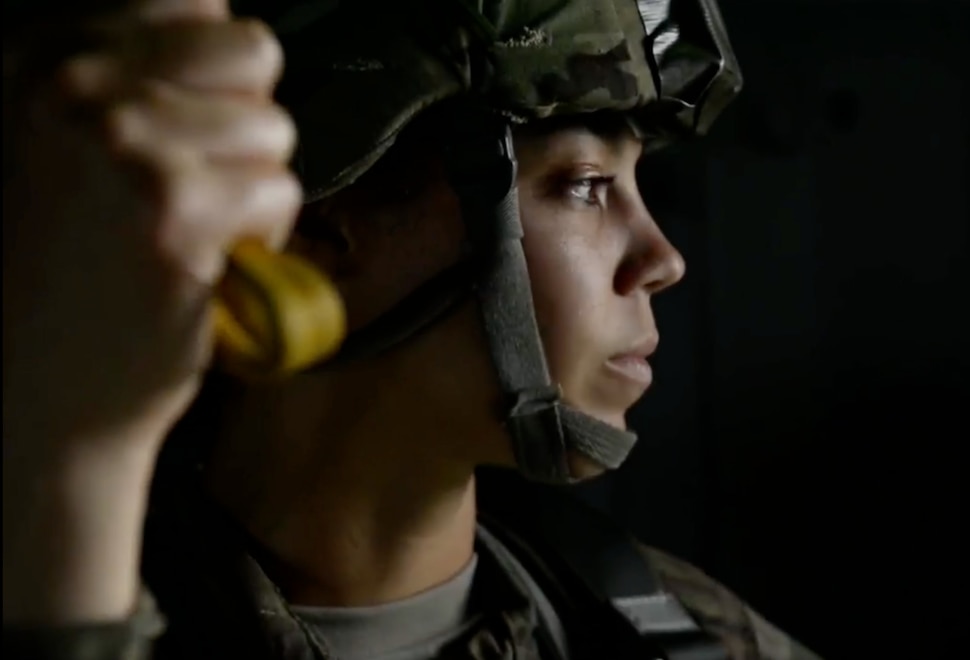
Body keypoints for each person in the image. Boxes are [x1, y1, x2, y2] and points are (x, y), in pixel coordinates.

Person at [2, 1, 823, 658]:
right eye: (582, 185)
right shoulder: (54, 586)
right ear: (317, 232)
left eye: (637, 185)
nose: (662, 258)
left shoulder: (672, 626)